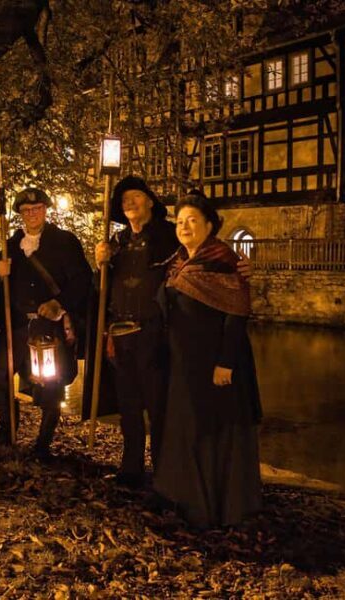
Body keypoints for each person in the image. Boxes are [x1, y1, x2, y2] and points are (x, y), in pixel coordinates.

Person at [154, 191, 262, 528]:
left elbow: (236, 314)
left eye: (193, 221)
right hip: (184, 362)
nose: (185, 226)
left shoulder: (224, 260)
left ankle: (214, 508)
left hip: (214, 365)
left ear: (210, 225)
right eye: (181, 221)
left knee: (213, 432)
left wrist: (225, 363)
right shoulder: (177, 262)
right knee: (187, 430)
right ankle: (185, 500)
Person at [0, 188, 92, 459]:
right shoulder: (12, 244)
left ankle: (43, 443)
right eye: (26, 211)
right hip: (17, 325)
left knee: (51, 385)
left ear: (46, 210)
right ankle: (9, 427)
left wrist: (60, 303)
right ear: (20, 214)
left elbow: (82, 281)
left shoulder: (65, 241)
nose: (32, 214)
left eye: (37, 209)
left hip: (49, 327)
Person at [93, 176, 178, 489]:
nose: (129, 202)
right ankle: (131, 470)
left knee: (158, 408)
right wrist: (100, 263)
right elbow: (101, 289)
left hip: (154, 334)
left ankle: (164, 473)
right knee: (128, 407)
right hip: (121, 333)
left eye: (135, 196)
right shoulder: (116, 241)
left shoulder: (170, 237)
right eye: (124, 199)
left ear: (150, 201)